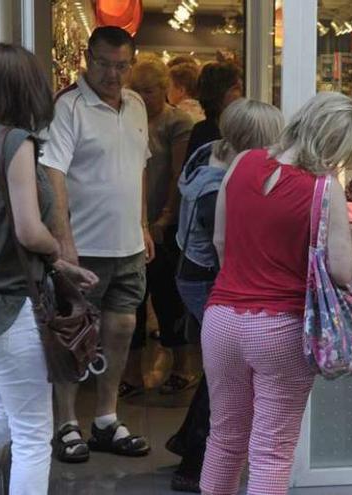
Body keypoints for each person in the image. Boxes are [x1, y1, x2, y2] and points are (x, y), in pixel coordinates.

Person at [200, 91, 352, 495]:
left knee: (224, 436)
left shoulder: (242, 162)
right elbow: (342, 271)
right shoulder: (325, 189)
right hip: (281, 328)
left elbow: (219, 241)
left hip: (221, 319)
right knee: (271, 449)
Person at [0, 43, 98, 494]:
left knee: (8, 414)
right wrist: (58, 254)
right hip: (10, 305)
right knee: (31, 435)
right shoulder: (15, 143)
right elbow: (29, 229)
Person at [42, 26, 156, 463]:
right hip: (82, 247)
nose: (112, 74)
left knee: (122, 330)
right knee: (72, 336)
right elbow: (52, 173)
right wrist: (63, 241)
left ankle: (106, 419)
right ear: (88, 58)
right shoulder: (69, 106)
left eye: (121, 65)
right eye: (104, 64)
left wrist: (143, 223)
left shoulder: (137, 104)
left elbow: (139, 167)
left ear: (133, 61)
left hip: (127, 245)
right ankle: (66, 424)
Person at [167, 98, 284, 493]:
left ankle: (192, 450)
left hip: (192, 273)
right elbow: (228, 249)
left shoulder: (209, 156)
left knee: (219, 372)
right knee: (223, 377)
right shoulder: (222, 187)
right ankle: (193, 457)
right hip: (208, 281)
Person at [123, 57, 196, 399]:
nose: (141, 96)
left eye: (148, 90)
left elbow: (177, 174)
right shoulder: (126, 119)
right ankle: (133, 371)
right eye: (135, 90)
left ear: (164, 89)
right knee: (132, 302)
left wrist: (166, 217)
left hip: (165, 223)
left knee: (168, 299)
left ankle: (182, 366)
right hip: (131, 223)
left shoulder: (177, 121)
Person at [185, 62, 243, 160]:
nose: (242, 94)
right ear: (218, 93)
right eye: (236, 89)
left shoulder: (242, 128)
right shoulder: (203, 132)